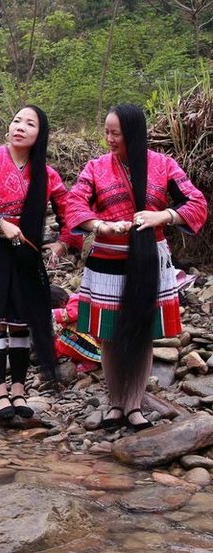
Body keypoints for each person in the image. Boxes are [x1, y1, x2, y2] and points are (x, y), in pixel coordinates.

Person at [65, 103, 207, 431]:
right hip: (107, 262)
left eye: (116, 133)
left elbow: (196, 201)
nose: (109, 139)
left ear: (134, 133)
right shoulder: (96, 167)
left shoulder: (163, 165)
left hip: (149, 260)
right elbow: (74, 203)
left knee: (142, 332)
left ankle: (134, 405)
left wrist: (164, 216)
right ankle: (116, 402)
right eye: (106, 132)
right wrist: (99, 225)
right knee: (110, 335)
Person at [0, 105, 82, 421]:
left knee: (20, 321)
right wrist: (1, 224)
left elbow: (71, 212)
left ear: (39, 136)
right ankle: (0, 391)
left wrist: (63, 242)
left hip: (27, 254)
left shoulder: (47, 173)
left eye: (30, 124)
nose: (20, 127)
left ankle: (19, 388)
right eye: (17, 120)